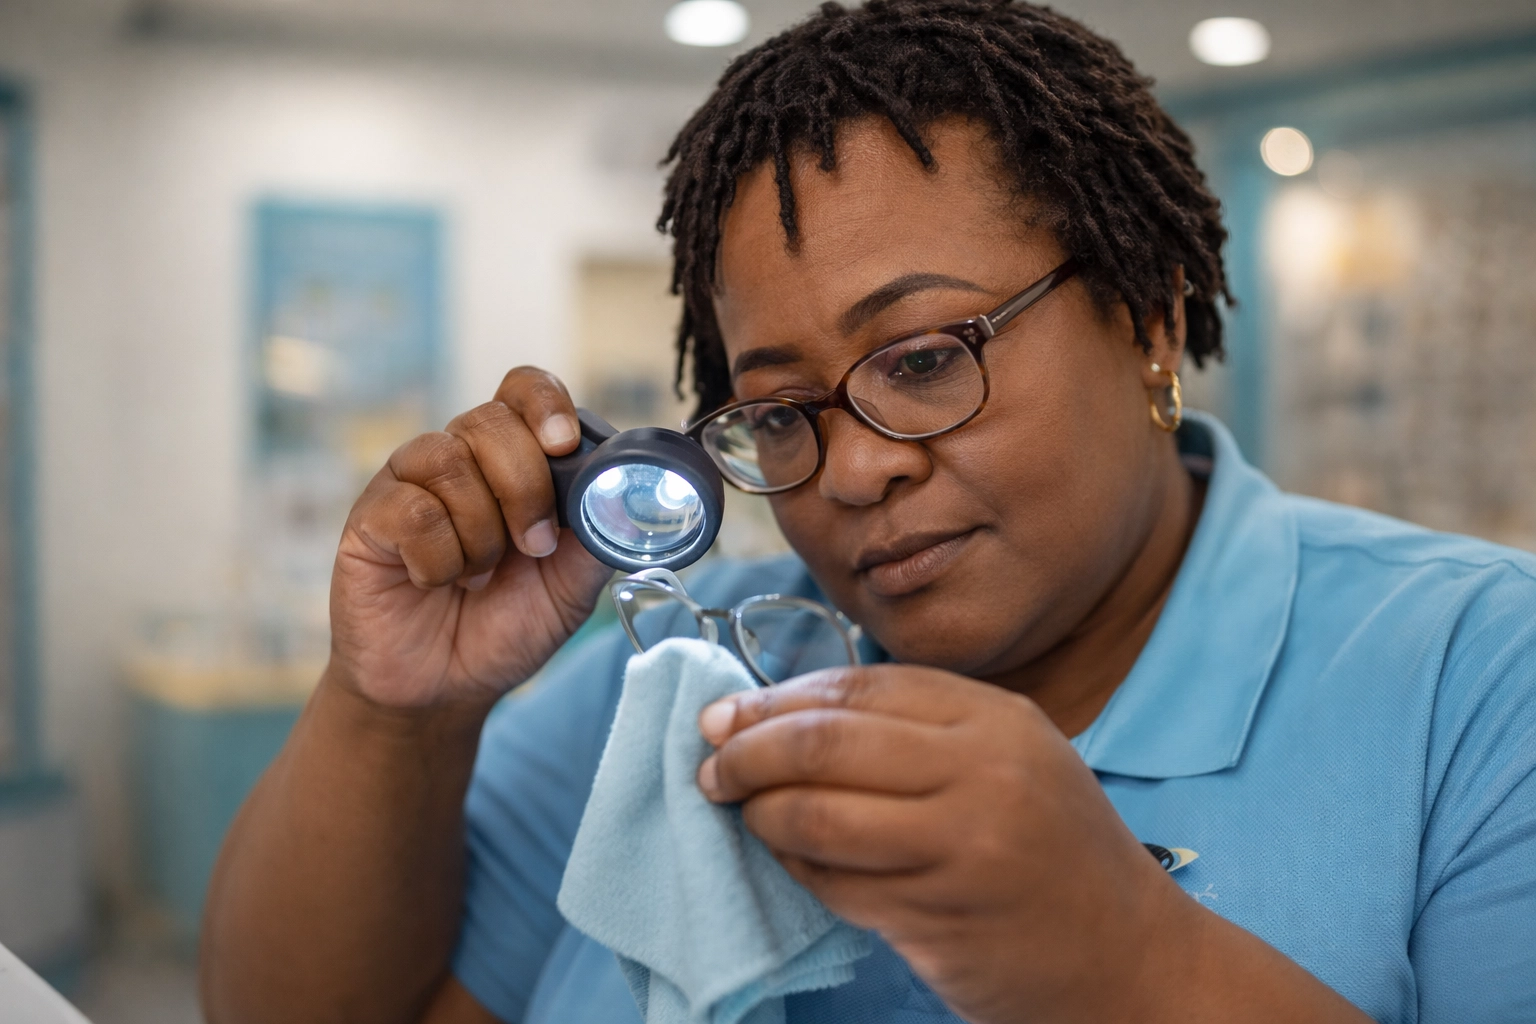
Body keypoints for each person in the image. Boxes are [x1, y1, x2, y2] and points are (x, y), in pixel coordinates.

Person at [198, 2, 1536, 1022]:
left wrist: (1128, 954)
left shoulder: (1479, 680)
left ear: (1149, 319)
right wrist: (396, 715)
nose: (850, 474)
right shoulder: (701, 671)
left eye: (922, 358)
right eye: (780, 411)